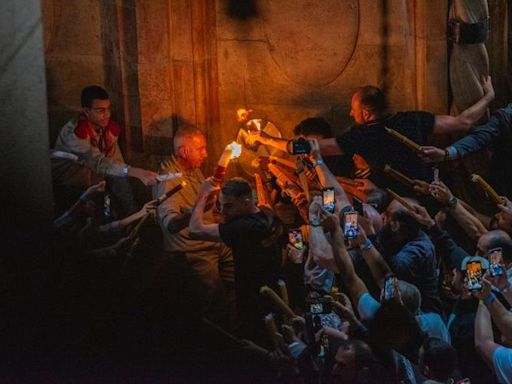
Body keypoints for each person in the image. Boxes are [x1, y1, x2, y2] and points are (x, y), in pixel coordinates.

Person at [251, 79, 494, 194]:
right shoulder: (413, 118)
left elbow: (309, 146)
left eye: (353, 110)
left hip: (395, 199)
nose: (349, 113)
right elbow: (464, 121)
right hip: (428, 193)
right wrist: (488, 97)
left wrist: (265, 138)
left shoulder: (362, 136)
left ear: (366, 114)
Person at [153, 126, 234, 325]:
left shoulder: (193, 169)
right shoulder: (168, 181)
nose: (206, 154)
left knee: (241, 266)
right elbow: (171, 225)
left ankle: (237, 316)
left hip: (212, 239)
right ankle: (217, 334)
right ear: (184, 152)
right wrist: (197, 207)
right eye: (201, 149)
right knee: (214, 299)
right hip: (192, 250)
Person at [189, 177, 283, 339]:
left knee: (258, 340)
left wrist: (203, 195)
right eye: (221, 205)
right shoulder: (267, 215)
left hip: (253, 300)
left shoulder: (242, 227)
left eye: (229, 206)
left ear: (247, 202)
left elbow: (195, 230)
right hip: (273, 291)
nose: (223, 211)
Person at [52, 85, 158, 215]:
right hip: (71, 186)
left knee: (113, 205)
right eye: (100, 111)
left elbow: (116, 166)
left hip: (97, 183)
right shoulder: (74, 134)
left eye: (108, 109)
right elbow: (98, 162)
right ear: (86, 111)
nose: (107, 115)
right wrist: (135, 171)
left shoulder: (107, 131)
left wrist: (132, 211)